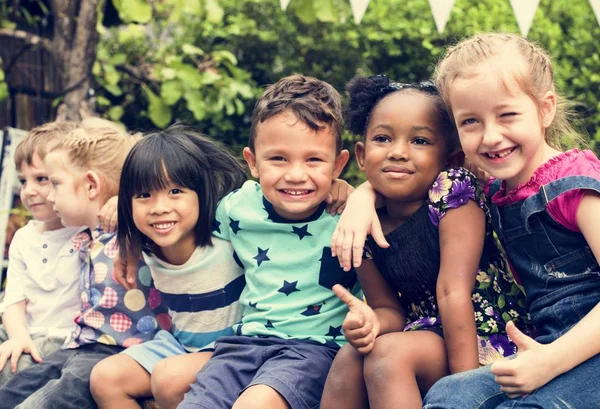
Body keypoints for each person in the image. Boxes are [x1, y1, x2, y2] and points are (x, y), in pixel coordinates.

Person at [320, 75, 530, 409]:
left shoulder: (452, 191)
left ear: (450, 159)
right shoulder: (362, 224)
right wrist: (372, 323)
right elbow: (389, 309)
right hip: (425, 336)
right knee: (351, 355)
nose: (398, 152)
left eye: (419, 141)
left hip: (483, 339)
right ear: (362, 155)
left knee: (388, 356)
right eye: (383, 138)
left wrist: (466, 393)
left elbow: (452, 292)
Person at [152, 74, 360, 409]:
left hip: (314, 349)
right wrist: (123, 220)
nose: (295, 174)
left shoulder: (348, 215)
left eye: (313, 160)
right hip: (244, 344)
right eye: (278, 158)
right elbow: (179, 225)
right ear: (252, 162)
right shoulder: (237, 208)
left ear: (338, 165)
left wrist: (359, 194)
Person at [0, 118, 167, 409]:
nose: (50, 197)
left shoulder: (136, 227)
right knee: (10, 393)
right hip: (80, 345)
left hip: (119, 350)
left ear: (91, 185)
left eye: (53, 184)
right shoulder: (85, 234)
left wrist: (124, 202)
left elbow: (158, 190)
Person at [89, 125, 247, 409]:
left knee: (169, 378)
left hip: (237, 348)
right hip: (181, 345)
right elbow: (123, 213)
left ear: (202, 192)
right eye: (144, 195)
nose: (159, 207)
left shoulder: (227, 236)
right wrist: (127, 238)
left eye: (175, 191)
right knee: (104, 378)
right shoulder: (145, 246)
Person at [0, 121, 87, 385]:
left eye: (42, 179)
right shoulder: (24, 238)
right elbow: (14, 301)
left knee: (13, 371)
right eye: (23, 181)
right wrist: (18, 336)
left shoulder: (90, 232)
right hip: (22, 330)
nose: (30, 191)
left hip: (65, 339)